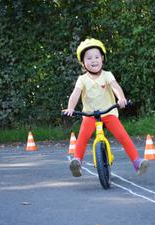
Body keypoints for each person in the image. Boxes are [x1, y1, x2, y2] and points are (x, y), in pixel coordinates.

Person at [63, 38, 149, 177]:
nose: (93, 60)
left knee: (122, 135)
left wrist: (121, 98)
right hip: (90, 115)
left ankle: (137, 162)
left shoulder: (107, 75)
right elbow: (75, 94)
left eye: (97, 57)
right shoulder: (82, 79)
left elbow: (115, 86)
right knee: (83, 137)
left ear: (102, 58)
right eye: (89, 58)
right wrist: (70, 108)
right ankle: (77, 162)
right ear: (83, 63)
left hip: (108, 113)